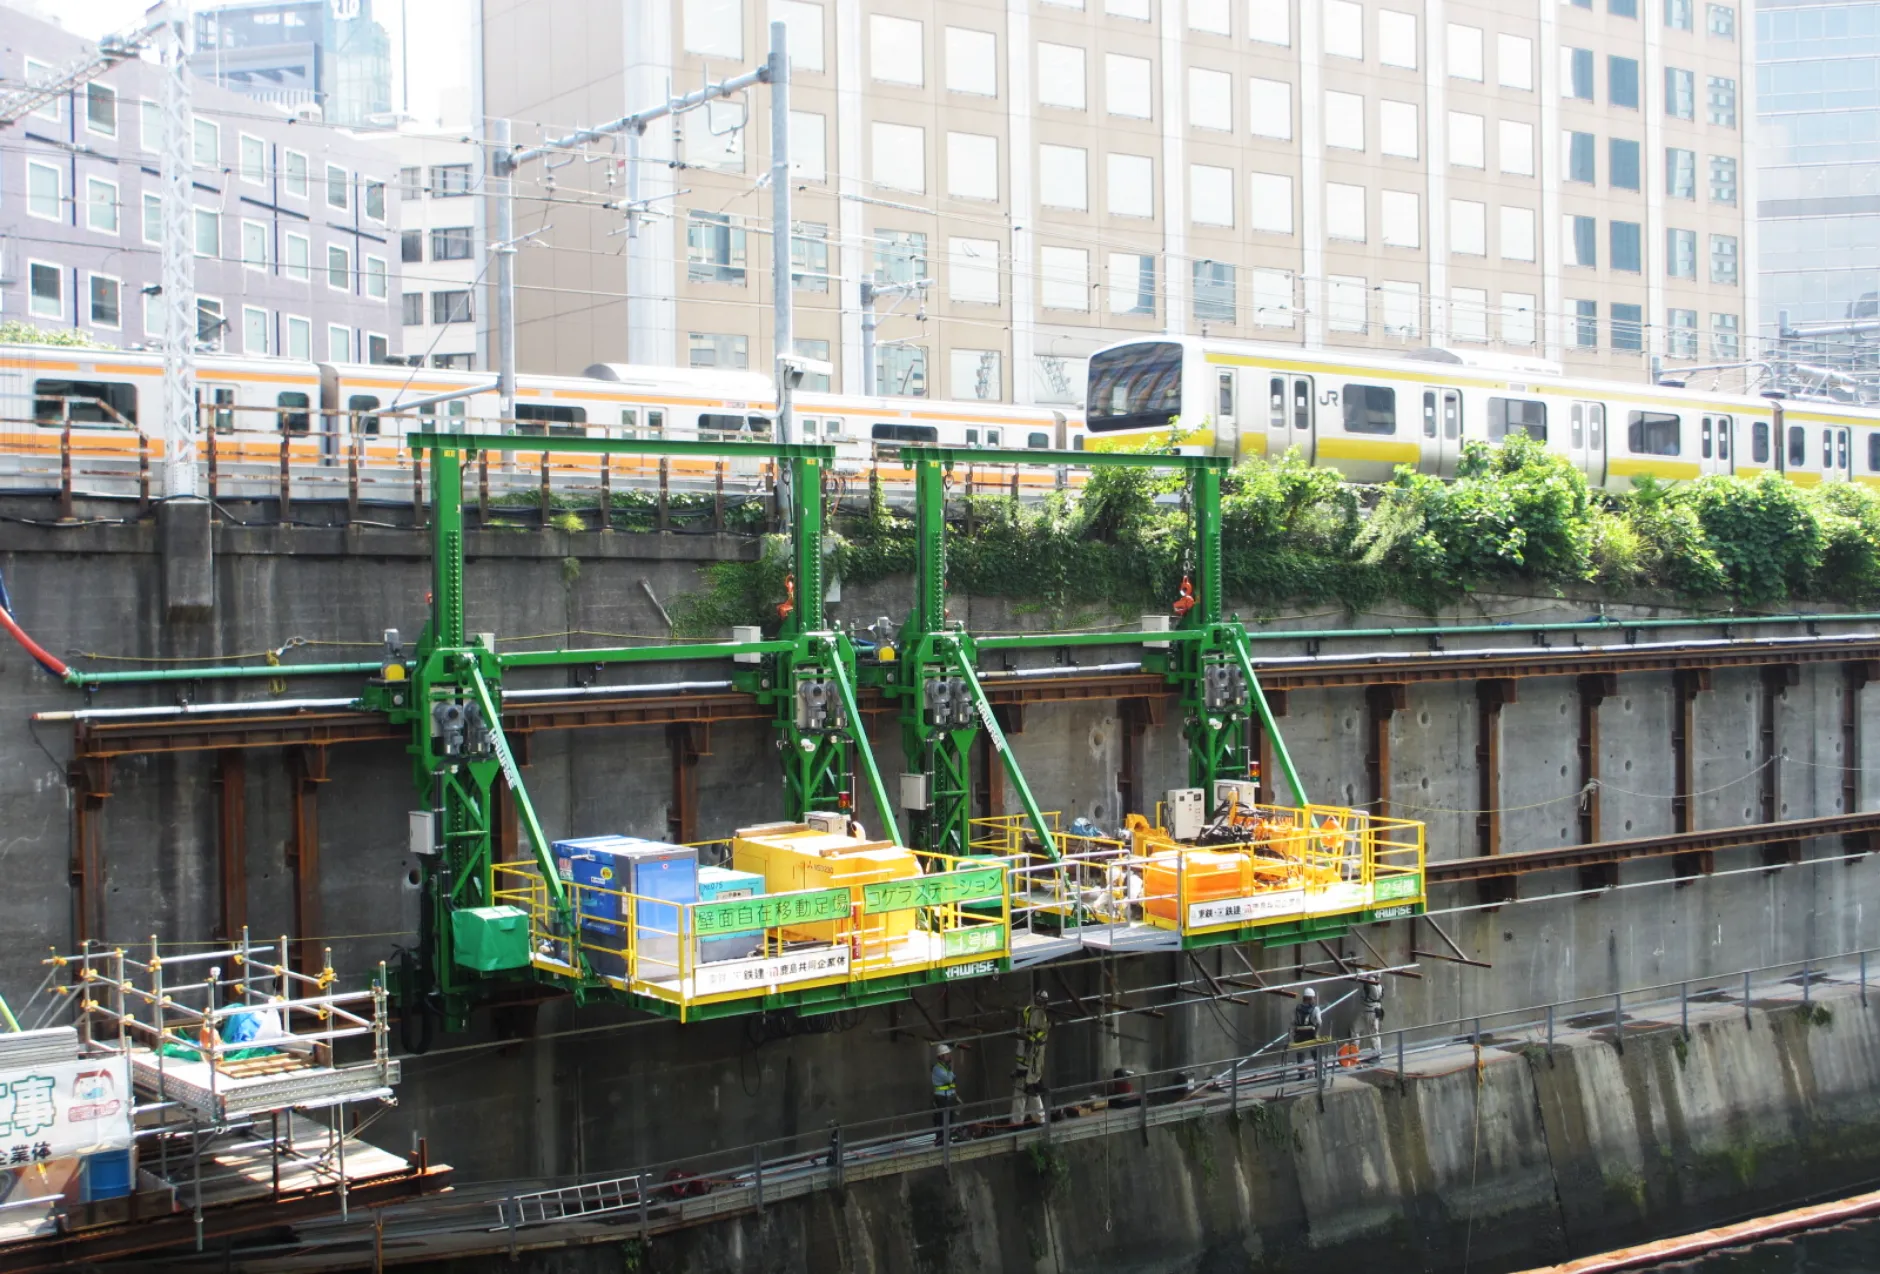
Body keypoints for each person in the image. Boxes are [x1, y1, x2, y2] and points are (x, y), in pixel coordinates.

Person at [1012, 990, 1050, 1125]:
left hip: (1030, 1060)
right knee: (1023, 1092)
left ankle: (1036, 1119)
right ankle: (1024, 1121)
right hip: (1026, 1062)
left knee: (1031, 1091)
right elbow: (1037, 1034)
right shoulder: (1035, 1014)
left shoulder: (1031, 1012)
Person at [931, 1044, 959, 1145]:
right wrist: (952, 1067)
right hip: (942, 1099)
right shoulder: (937, 1069)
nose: (949, 1056)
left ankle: (948, 1139)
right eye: (947, 1054)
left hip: (948, 1098)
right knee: (942, 1121)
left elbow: (953, 1079)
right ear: (941, 1056)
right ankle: (940, 1142)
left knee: (950, 1121)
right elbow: (949, 1079)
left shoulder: (945, 1068)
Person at [1357, 971, 1385, 1058]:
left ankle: (1377, 1055)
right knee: (1354, 1029)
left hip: (1371, 1013)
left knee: (1373, 1035)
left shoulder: (1374, 986)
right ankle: (1354, 1051)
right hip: (1366, 1012)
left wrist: (1367, 979)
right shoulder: (1375, 985)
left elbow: (1375, 995)